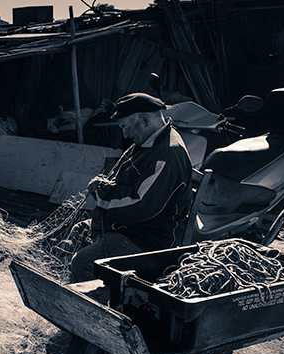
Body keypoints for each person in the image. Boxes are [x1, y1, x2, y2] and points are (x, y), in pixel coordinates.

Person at [68, 92, 192, 283]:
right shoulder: (148, 140)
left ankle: (92, 308)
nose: (124, 134)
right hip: (129, 228)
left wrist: (102, 192)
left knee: (82, 263)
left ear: (143, 120)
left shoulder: (166, 154)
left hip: (147, 240)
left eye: (125, 127)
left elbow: (140, 205)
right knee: (77, 233)